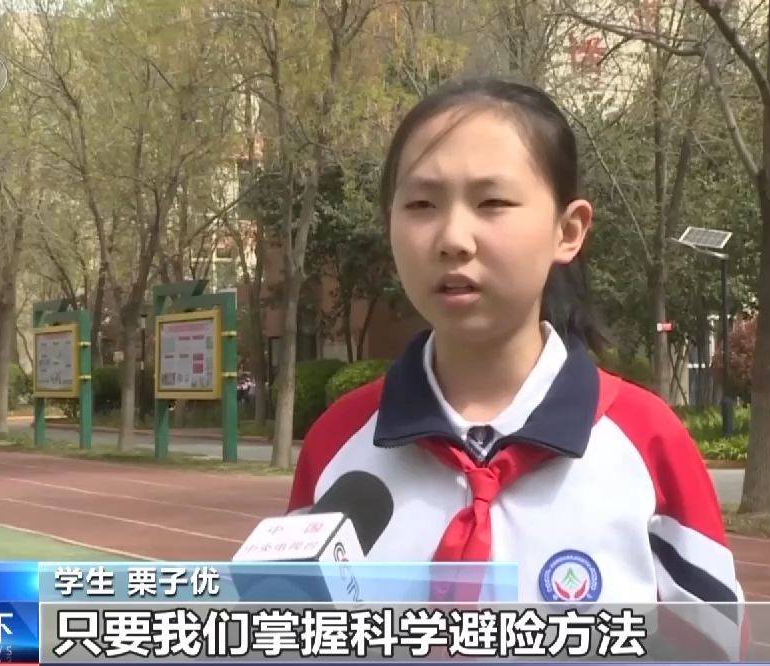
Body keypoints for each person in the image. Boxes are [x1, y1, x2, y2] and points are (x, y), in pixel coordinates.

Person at [286, 77, 745, 659]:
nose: (453, 239)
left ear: (567, 231)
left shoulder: (647, 444)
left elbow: (713, 649)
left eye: (492, 203)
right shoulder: (338, 444)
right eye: (421, 205)